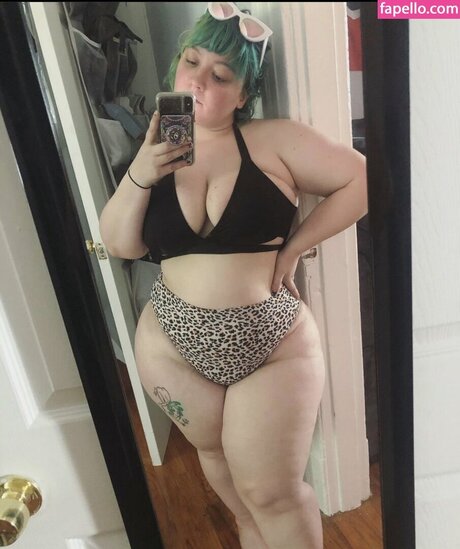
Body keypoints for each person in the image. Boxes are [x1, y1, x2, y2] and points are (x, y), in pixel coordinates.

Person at [99, 3, 368, 548]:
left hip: (272, 344)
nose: (198, 81)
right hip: (173, 347)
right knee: (225, 475)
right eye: (191, 62)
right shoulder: (152, 153)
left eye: (221, 75)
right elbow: (121, 245)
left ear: (244, 95)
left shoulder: (274, 140)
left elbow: (362, 180)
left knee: (274, 494)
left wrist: (295, 247)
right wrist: (141, 173)